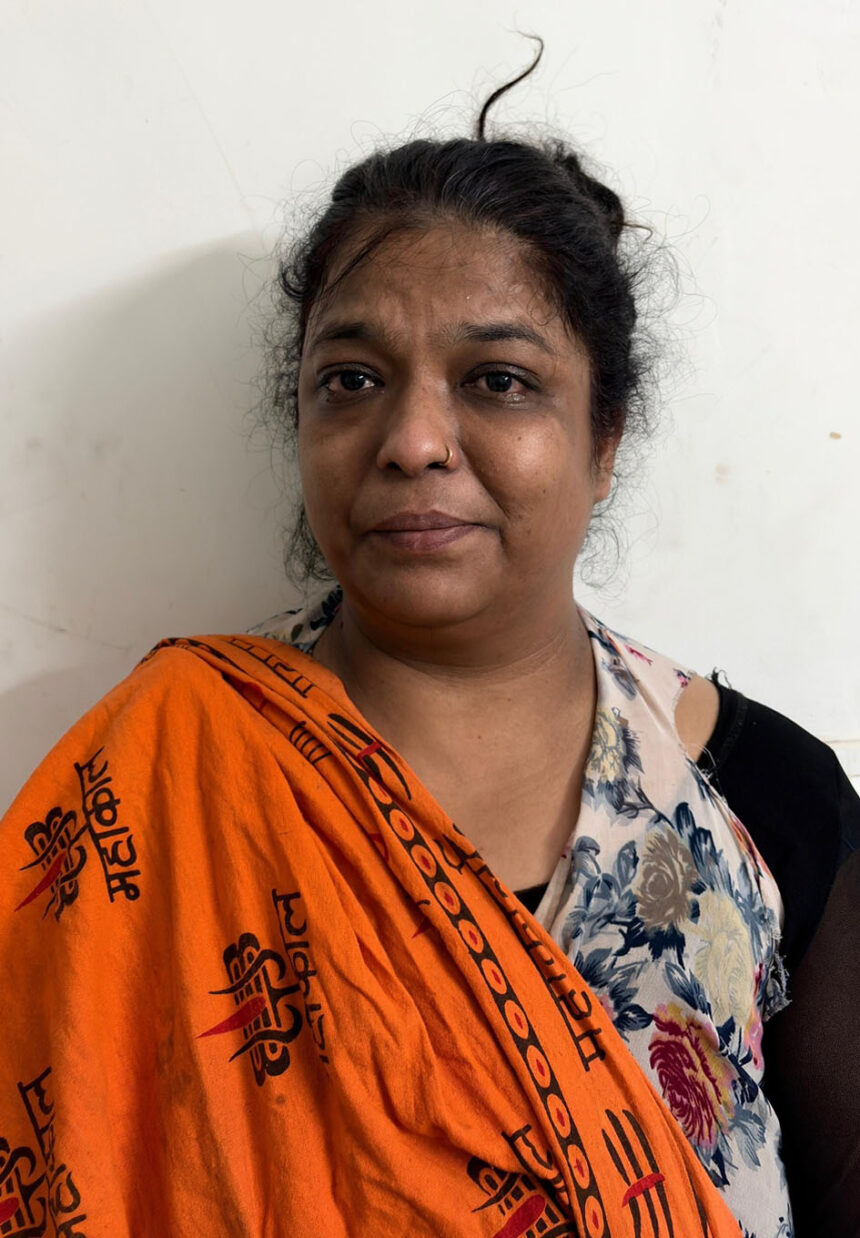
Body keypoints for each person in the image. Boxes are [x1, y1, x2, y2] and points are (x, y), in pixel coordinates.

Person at [1, 35, 857, 1238]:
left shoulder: (768, 801)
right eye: (350, 380)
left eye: (497, 379)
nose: (410, 440)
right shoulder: (165, 773)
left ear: (603, 438)